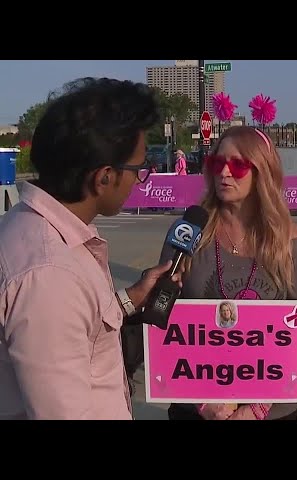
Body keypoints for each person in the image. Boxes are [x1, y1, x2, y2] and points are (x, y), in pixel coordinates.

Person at [0, 77, 177, 420]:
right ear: (104, 177)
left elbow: (80, 327)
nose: (139, 180)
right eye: (138, 169)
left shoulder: (32, 227)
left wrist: (132, 298)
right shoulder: (50, 274)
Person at [161, 121, 297, 421]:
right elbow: (163, 322)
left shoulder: (291, 242)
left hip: (271, 409)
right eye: (218, 162)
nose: (224, 173)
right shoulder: (187, 231)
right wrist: (204, 403)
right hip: (197, 405)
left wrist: (255, 408)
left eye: (238, 166)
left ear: (263, 172)